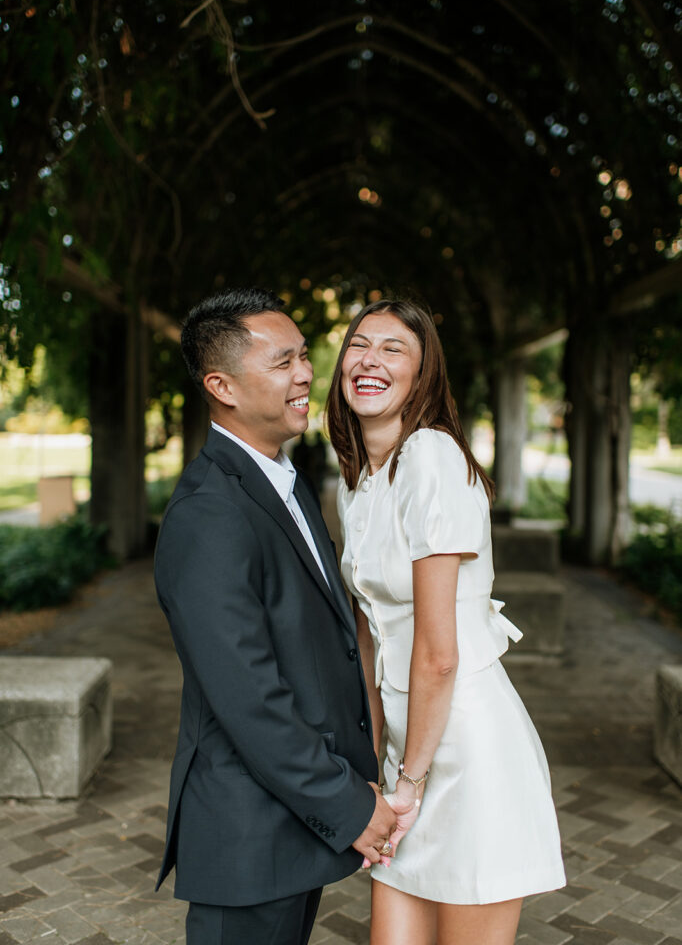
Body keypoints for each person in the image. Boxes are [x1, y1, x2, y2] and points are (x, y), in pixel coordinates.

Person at [154, 288, 398, 945]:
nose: (306, 375)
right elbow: (248, 696)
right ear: (222, 386)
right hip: (247, 835)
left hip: (289, 824)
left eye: (303, 358)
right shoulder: (210, 515)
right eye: (284, 361)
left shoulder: (279, 480)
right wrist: (348, 805)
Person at [326, 299, 566, 945]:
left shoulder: (430, 456)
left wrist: (408, 783)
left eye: (393, 348)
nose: (370, 359)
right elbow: (370, 641)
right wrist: (373, 767)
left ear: (422, 374)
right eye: (359, 344)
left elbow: (438, 652)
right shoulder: (357, 482)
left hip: (466, 752)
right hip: (410, 757)